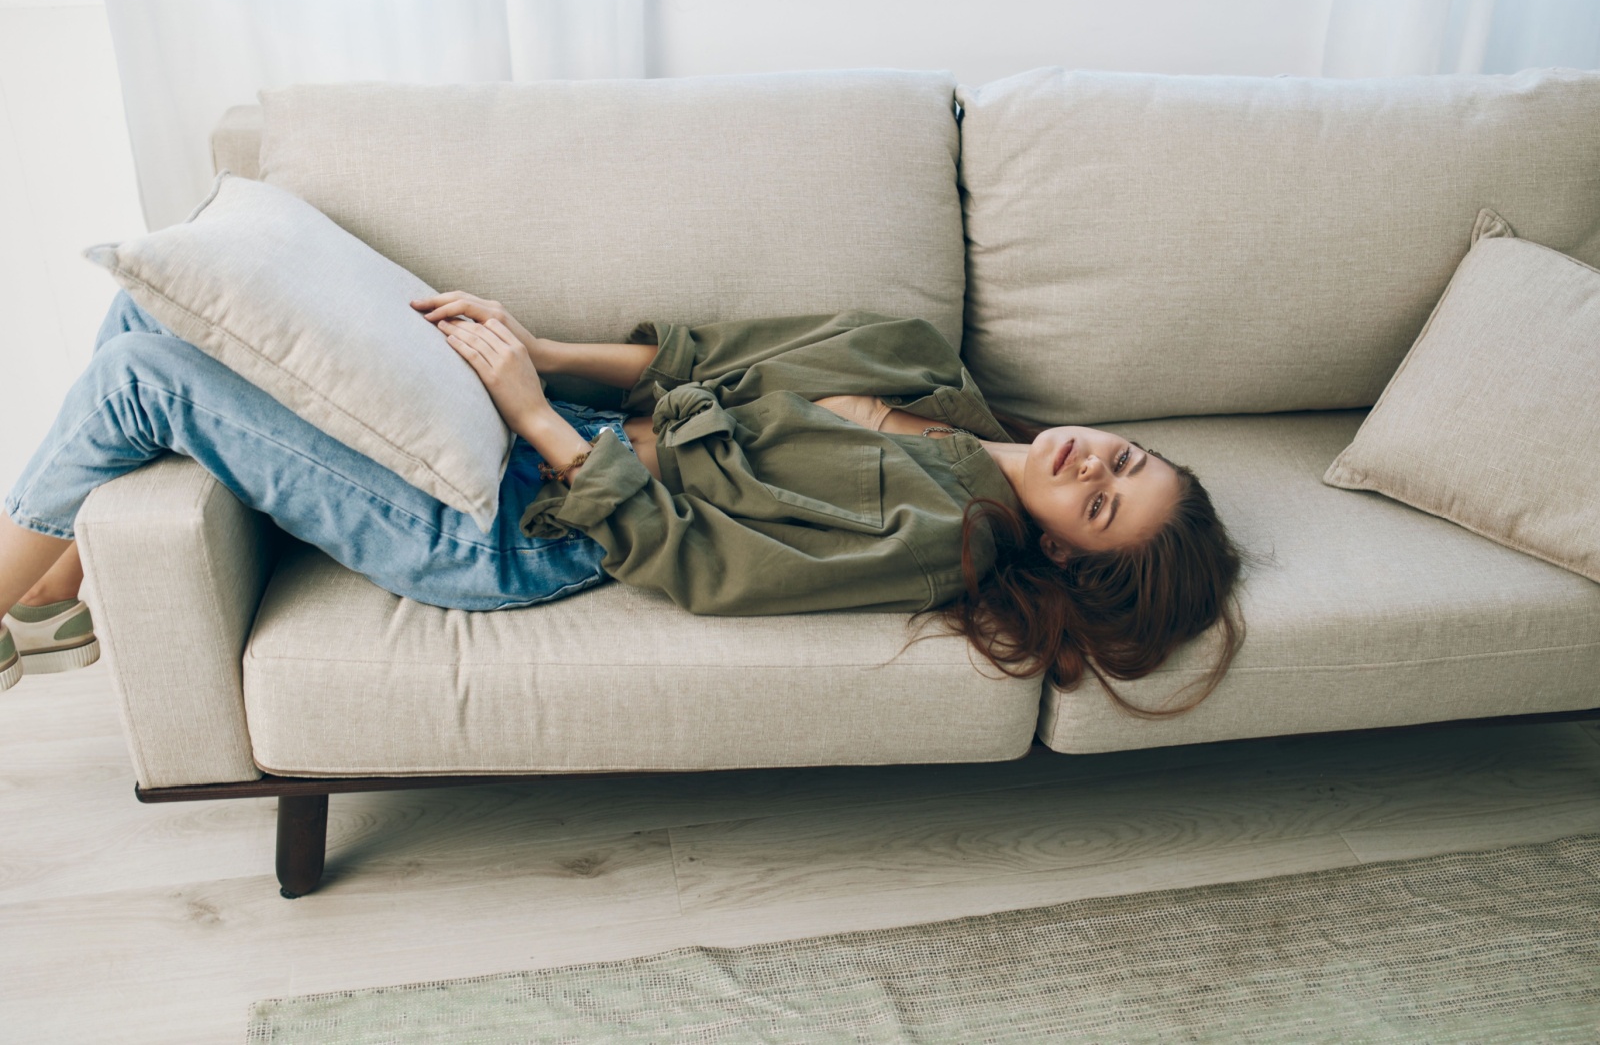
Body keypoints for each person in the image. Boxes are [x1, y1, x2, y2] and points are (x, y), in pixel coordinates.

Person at [0, 290, 1242, 715]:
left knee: (138, 374)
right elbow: (699, 354)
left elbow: (704, 566)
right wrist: (531, 350)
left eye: (1099, 506)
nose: (1094, 466)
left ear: (1068, 561)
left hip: (513, 528)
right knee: (155, 305)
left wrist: (531, 422)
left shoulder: (942, 541)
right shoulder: (917, 358)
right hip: (552, 428)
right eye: (1124, 462)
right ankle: (52, 605)